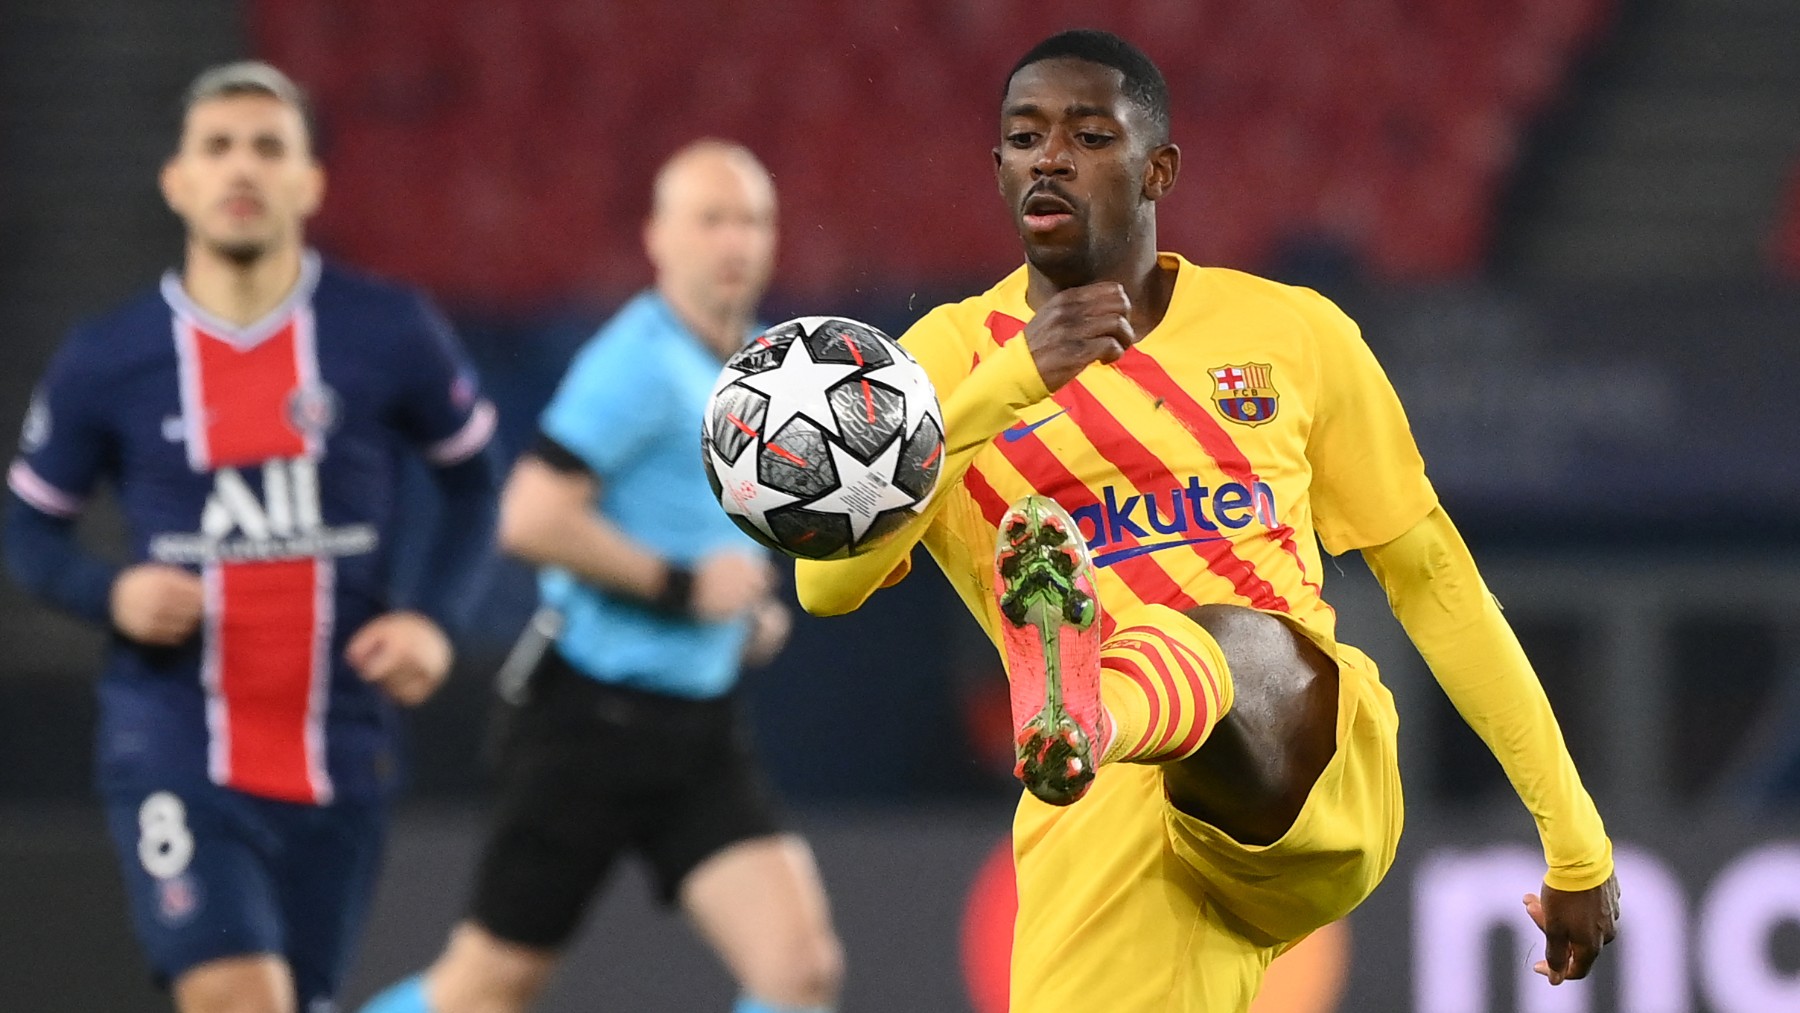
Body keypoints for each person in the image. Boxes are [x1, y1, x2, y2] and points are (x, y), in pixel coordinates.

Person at [796, 30, 1620, 1012]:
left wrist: (1574, 837)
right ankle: (1085, 713)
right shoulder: (944, 357)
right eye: (1024, 138)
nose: (1050, 157)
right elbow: (826, 582)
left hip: (1300, 751)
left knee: (1223, 636)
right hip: (1099, 805)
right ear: (1000, 168)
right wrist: (1010, 383)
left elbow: (1436, 582)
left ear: (1160, 170)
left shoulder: (1292, 332)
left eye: (1090, 135)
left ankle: (1096, 701)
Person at [2, 62, 500, 1013]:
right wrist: (108, 594)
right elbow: (29, 526)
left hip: (340, 747)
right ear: (177, 181)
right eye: (217, 147)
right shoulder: (108, 357)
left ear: (310, 182)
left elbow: (475, 486)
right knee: (241, 997)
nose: (242, 168)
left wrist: (437, 621)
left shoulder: (388, 331)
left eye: (268, 147)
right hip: (175, 739)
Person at [360, 140, 843, 1013]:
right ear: (658, 238)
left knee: (798, 969)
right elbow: (529, 516)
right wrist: (680, 587)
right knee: (487, 988)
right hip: (587, 722)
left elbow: (708, 530)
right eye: (711, 218)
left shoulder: (762, 367)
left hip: (697, 727)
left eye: (753, 219)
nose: (735, 239)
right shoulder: (636, 361)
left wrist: (738, 611)